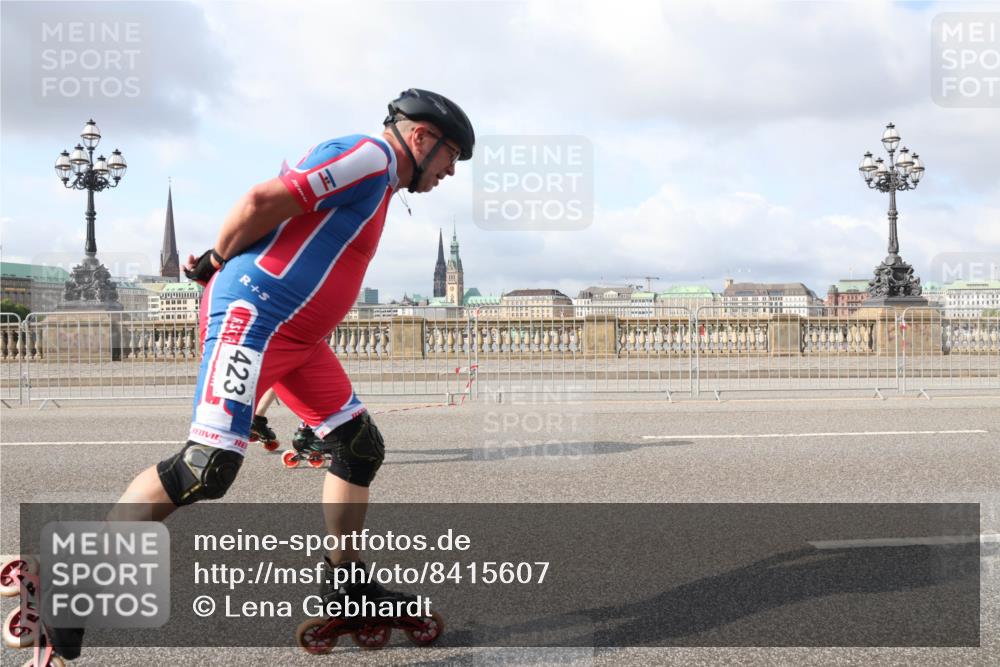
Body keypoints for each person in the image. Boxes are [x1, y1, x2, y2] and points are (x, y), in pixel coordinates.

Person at [47, 88, 474, 660]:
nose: (451, 171)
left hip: (298, 338)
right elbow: (261, 201)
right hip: (254, 318)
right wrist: (218, 258)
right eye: (451, 156)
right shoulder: (372, 157)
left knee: (358, 446)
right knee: (205, 468)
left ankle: (346, 585)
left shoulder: (380, 183)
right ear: (420, 137)